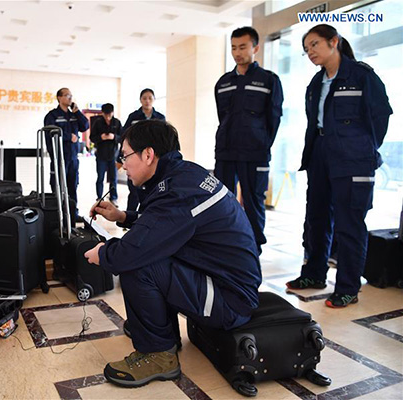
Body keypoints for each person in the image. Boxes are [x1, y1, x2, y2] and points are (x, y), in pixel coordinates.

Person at [84, 120, 261, 388]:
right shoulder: (181, 176)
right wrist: (123, 216)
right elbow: (164, 225)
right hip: (224, 283)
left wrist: (103, 253)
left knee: (136, 262)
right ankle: (159, 331)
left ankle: (158, 353)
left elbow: (134, 249)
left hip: (229, 300)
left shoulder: (178, 191)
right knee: (149, 251)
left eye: (125, 156)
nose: (123, 165)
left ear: (148, 154)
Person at [287, 24, 392, 308]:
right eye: (306, 48)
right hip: (320, 154)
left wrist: (364, 149)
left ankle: (347, 286)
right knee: (316, 218)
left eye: (314, 44)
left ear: (334, 42)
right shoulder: (315, 83)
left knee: (350, 223)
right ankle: (314, 274)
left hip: (353, 157)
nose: (310, 52)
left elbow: (380, 116)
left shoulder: (361, 76)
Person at [214, 26, 283, 255]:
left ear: (255, 48)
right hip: (226, 151)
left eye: (242, 47)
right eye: (233, 47)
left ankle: (254, 248)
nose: (237, 52)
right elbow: (222, 118)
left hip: (255, 152)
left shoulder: (268, 81)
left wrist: (261, 142)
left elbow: (273, 119)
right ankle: (228, 245)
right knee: (224, 200)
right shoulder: (223, 83)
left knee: (254, 202)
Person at [44, 88, 89, 213]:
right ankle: (57, 214)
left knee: (73, 187)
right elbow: (50, 133)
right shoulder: (52, 116)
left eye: (71, 95)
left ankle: (73, 213)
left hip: (73, 158)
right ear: (59, 98)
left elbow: (85, 126)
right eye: (67, 95)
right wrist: (69, 137)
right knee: (57, 187)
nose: (70, 98)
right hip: (59, 158)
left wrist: (78, 112)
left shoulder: (74, 115)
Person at [122, 89, 165, 212]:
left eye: (150, 98)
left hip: (154, 159)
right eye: (144, 98)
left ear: (154, 99)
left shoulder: (160, 118)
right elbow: (124, 135)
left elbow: (164, 138)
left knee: (153, 189)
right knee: (135, 190)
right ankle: (129, 217)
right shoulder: (133, 117)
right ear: (140, 100)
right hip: (137, 157)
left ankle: (149, 215)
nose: (147, 101)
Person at [89, 103, 121, 206]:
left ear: (113, 113)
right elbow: (92, 138)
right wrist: (100, 137)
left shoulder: (117, 122)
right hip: (101, 155)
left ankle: (113, 197)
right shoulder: (97, 123)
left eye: (109, 115)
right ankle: (99, 198)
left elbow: (123, 137)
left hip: (113, 155)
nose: (108, 117)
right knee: (100, 177)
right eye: (105, 115)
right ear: (102, 113)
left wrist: (114, 137)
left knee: (113, 178)